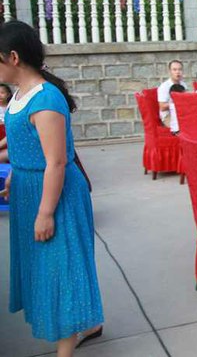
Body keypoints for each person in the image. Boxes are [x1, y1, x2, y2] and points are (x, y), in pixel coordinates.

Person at [0, 20, 103, 356]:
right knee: (45, 267)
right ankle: (89, 324)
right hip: (30, 189)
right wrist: (15, 175)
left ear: (13, 57)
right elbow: (28, 145)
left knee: (61, 269)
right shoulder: (20, 94)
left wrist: (46, 213)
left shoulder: (46, 100)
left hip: (56, 196)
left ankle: (66, 349)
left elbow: (56, 162)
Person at [157, 59, 186, 124]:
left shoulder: (183, 84)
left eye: (180, 69)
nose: (177, 72)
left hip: (180, 113)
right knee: (183, 125)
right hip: (168, 116)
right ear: (170, 71)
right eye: (174, 70)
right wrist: (177, 103)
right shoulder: (164, 86)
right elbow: (162, 107)